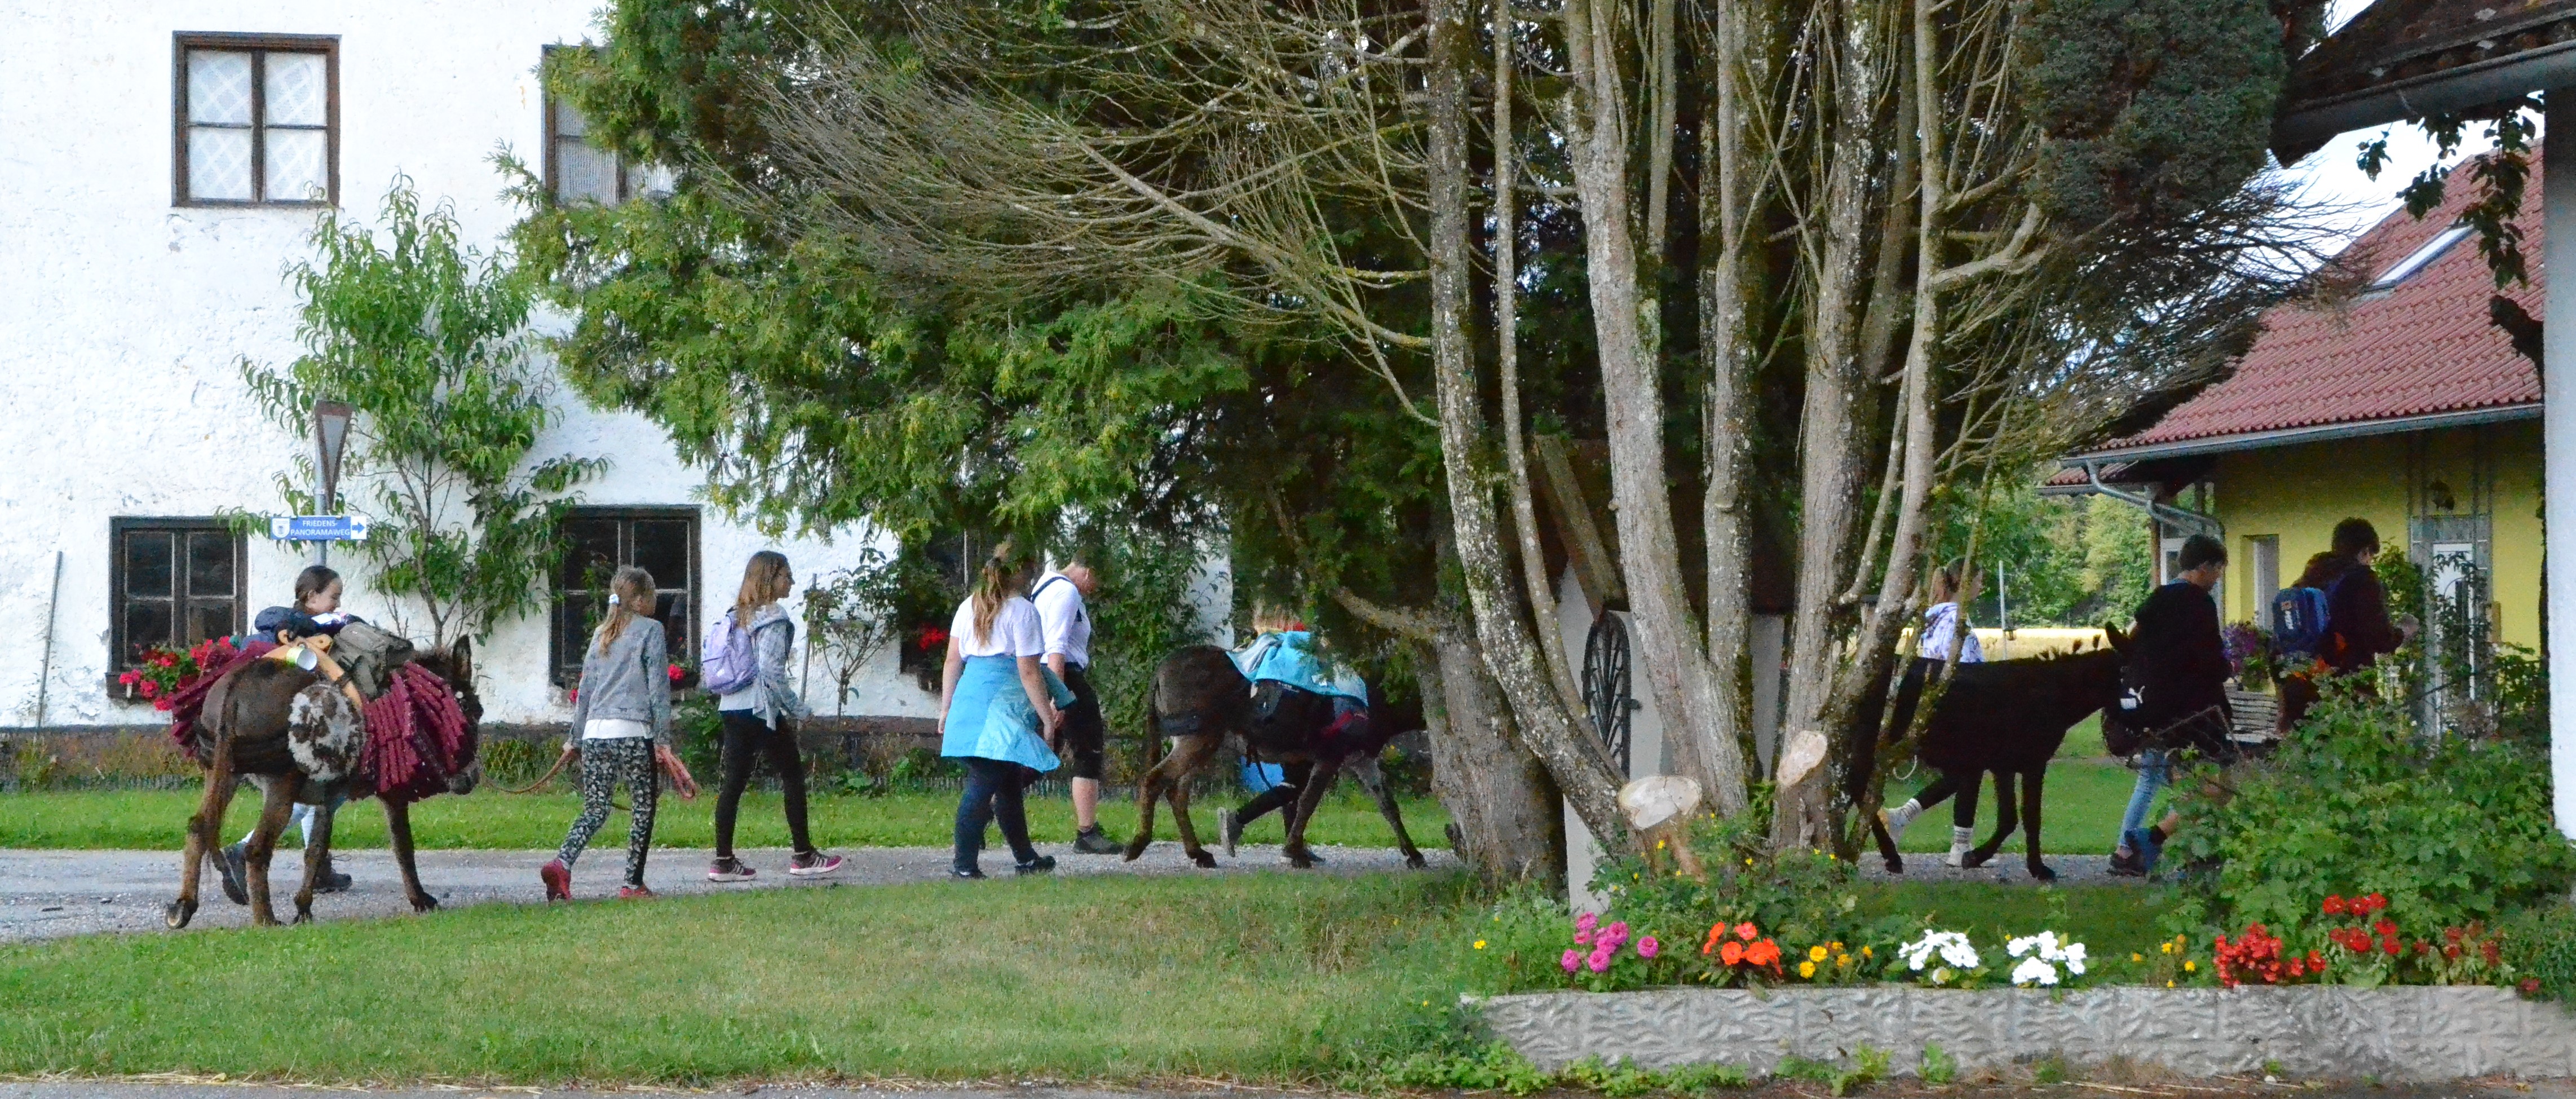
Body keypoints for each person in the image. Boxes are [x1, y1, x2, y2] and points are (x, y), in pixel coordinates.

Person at [541, 567, 691, 901]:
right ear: (638, 601)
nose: (655, 601)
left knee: (596, 808)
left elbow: (586, 689)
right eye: (651, 595)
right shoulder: (651, 630)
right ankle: (632, 884)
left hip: (596, 733)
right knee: (643, 806)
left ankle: (562, 863)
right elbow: (658, 688)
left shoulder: (601, 633)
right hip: (633, 732)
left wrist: (575, 739)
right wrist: (663, 741)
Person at [217, 564, 355, 905]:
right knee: (305, 797)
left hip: (299, 720)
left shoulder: (302, 625)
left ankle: (319, 866)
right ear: (311, 596)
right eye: (334, 596)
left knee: (318, 795)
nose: (337, 604)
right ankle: (242, 850)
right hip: (302, 723)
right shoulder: (304, 627)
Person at [708, 551, 843, 882]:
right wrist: (798, 709)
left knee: (733, 784)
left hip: (731, 706)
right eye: (787, 576)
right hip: (760, 709)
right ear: (770, 579)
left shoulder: (735, 615)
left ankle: (723, 861)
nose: (791, 582)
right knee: (792, 775)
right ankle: (804, 855)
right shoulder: (773, 617)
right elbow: (771, 672)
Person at [939, 540, 1070, 879]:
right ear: (1023, 572)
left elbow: (953, 661)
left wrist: (946, 708)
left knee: (1008, 784)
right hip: (999, 710)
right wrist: (1047, 718)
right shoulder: (1023, 611)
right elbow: (1029, 672)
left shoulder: (969, 605)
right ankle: (964, 867)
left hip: (968, 702)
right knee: (981, 787)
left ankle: (1026, 859)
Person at [2108, 534, 2232, 876]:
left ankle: (2154, 852)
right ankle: (2156, 841)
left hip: (2158, 710)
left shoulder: (2157, 600)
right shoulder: (2199, 604)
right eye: (2218, 569)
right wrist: (2227, 669)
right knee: (2215, 786)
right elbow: (2207, 659)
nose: (2218, 577)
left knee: (2174, 782)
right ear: (2204, 567)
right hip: (2197, 712)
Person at [1217, 608, 1374, 859]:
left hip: (1287, 717)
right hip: (1293, 721)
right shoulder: (1299, 640)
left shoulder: (1274, 641)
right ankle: (1240, 820)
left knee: (1293, 784)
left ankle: (1292, 843)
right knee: (1294, 785)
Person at [1877, 563, 1988, 868]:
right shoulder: (1956, 622)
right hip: (1959, 708)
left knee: (1965, 771)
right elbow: (1965, 670)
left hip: (1937, 707)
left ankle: (1942, 836)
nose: (1981, 587)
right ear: (1963, 583)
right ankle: (1956, 845)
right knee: (1969, 769)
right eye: (1979, 581)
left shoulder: (1934, 618)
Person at [2275, 517, 2418, 734]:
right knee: (2363, 747)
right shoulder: (2362, 580)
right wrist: (2403, 633)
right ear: (2365, 551)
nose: (2370, 562)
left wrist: (2284, 706)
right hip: (2346, 690)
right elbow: (2379, 639)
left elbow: (2281, 640)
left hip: (2301, 690)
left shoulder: (2309, 579)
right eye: (2371, 556)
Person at [1031, 555, 1121, 855]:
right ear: (1087, 571)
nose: (1094, 588)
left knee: (1040, 753)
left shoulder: (1043, 586)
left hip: (1043, 675)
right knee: (1088, 748)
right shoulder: (1067, 592)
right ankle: (1087, 832)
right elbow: (1055, 647)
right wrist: (1059, 698)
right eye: (1097, 581)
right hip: (1064, 676)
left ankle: (984, 811)